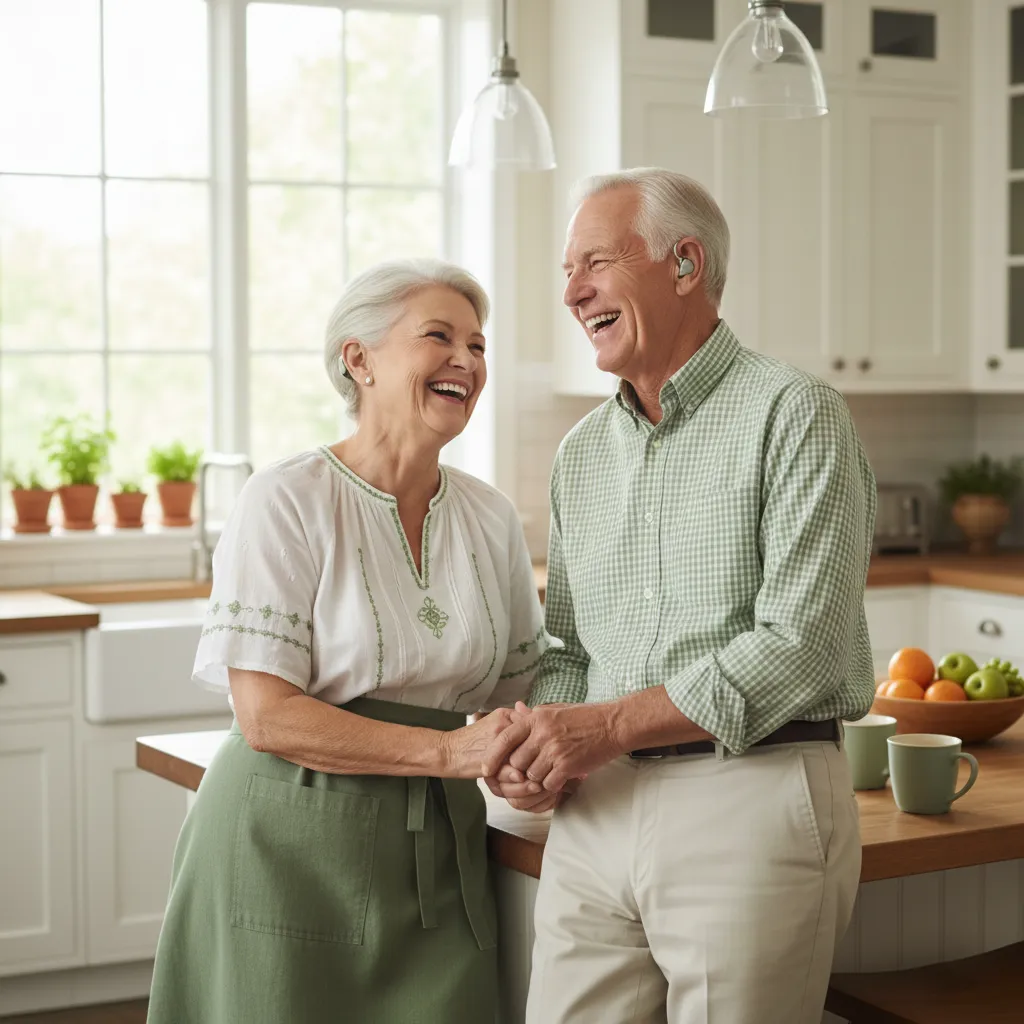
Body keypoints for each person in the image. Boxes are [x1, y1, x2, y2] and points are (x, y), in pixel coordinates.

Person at [483, 168, 877, 1024]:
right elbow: (571, 650)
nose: (572, 291)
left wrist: (608, 725)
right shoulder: (581, 454)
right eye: (565, 271)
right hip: (596, 807)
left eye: (594, 261)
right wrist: (547, 749)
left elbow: (801, 645)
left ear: (686, 264)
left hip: (752, 794)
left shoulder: (798, 414)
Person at [147, 258, 551, 1024]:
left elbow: (525, 688)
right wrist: (448, 753)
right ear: (357, 360)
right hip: (283, 843)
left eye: (479, 344)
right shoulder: (286, 497)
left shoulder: (491, 517)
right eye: (440, 336)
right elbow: (266, 716)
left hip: (435, 848)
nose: (467, 360)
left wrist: (530, 759)